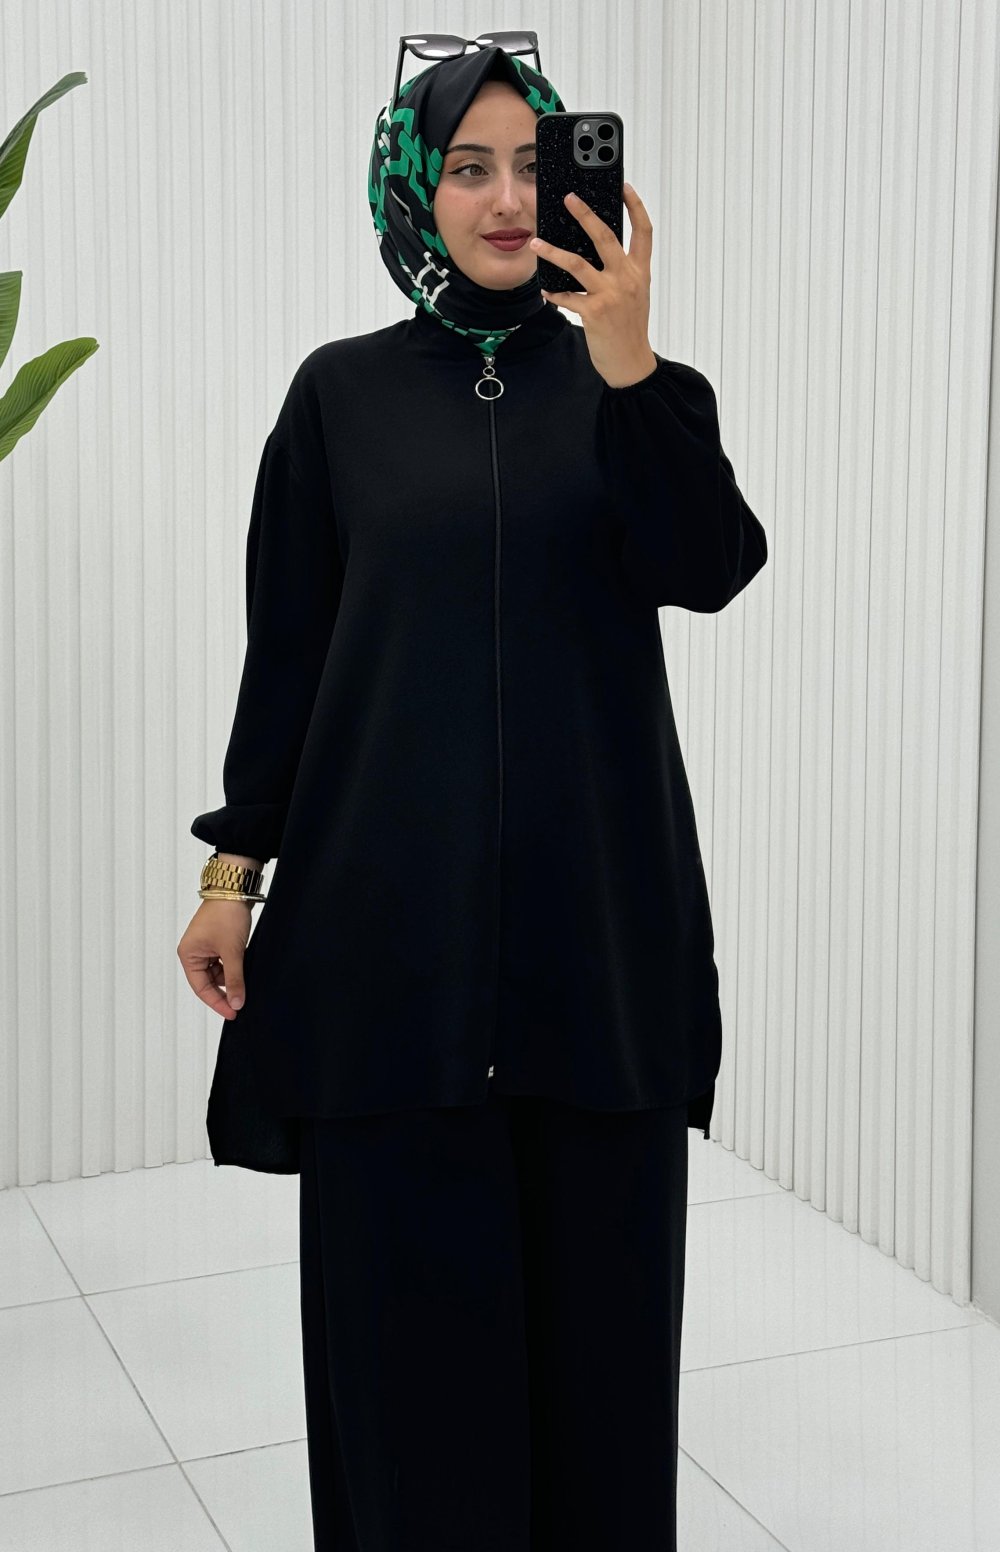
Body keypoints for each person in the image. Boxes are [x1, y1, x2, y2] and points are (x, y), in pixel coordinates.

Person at [177, 39, 768, 1552]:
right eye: (467, 167)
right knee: (407, 1392)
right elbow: (292, 654)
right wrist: (234, 872)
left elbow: (707, 568)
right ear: (414, 191)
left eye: (532, 163)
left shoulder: (639, 394)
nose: (507, 199)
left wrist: (630, 365)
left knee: (600, 1379)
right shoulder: (339, 399)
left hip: (597, 950)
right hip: (393, 953)